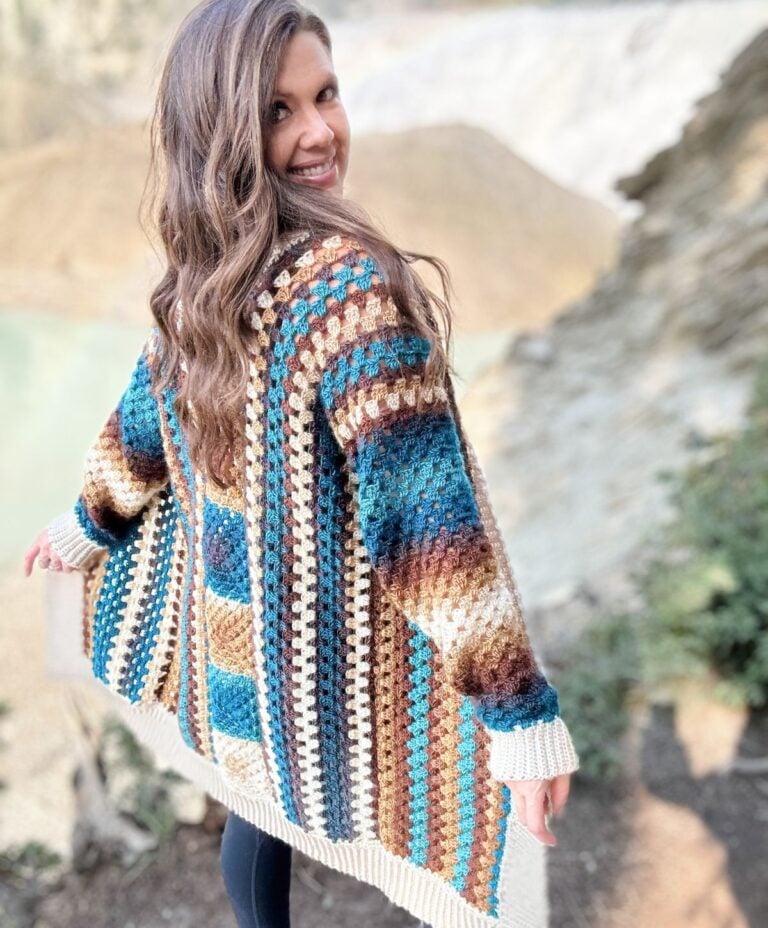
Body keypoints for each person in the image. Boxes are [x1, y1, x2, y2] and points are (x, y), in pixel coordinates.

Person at [23, 2, 580, 926]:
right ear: (224, 132)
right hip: (314, 679)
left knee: (257, 825)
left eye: (326, 95)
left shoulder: (207, 279)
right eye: (278, 111)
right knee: (453, 853)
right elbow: (428, 530)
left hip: (248, 672)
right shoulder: (348, 291)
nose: (321, 130)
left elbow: (142, 420)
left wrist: (87, 521)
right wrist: (519, 716)